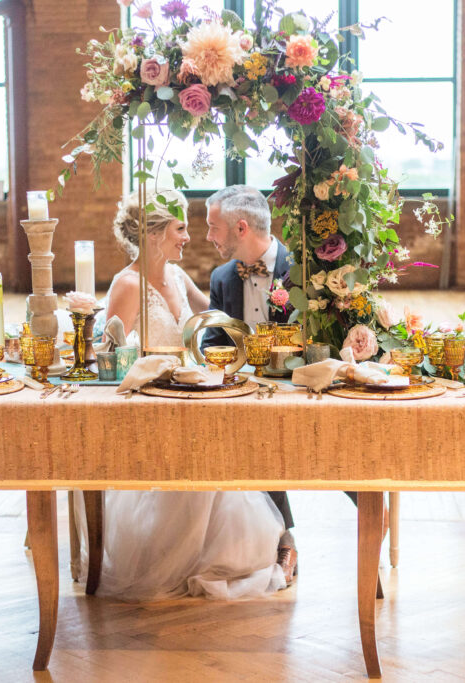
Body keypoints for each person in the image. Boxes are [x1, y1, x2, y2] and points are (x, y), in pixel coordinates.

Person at [83, 189, 288, 601]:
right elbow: (103, 358)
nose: (189, 238)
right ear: (155, 235)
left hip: (189, 399)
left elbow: (217, 319)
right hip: (154, 409)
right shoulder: (128, 285)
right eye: (180, 229)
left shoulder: (176, 277)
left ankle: (241, 551)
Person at [203, 185, 300, 581]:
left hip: (299, 387)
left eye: (213, 228)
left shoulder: (302, 270)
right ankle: (282, 541)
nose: (207, 236)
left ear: (241, 228)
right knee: (252, 428)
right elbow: (212, 340)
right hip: (245, 396)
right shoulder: (223, 278)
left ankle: (368, 506)